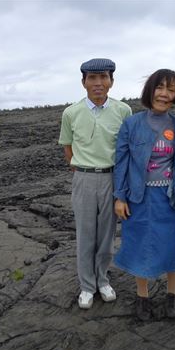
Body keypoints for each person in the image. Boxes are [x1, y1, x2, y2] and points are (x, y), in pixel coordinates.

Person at [113, 69, 175, 321]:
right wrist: (120, 197)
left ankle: (172, 296)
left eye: (170, 89)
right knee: (138, 245)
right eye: (160, 87)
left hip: (169, 198)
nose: (164, 94)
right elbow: (121, 163)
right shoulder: (131, 124)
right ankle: (142, 297)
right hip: (138, 197)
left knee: (171, 245)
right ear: (150, 90)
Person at [59, 58, 132, 309]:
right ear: (83, 82)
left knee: (107, 235)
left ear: (111, 81)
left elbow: (125, 149)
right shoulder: (71, 113)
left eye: (103, 77)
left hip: (113, 178)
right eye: (92, 78)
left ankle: (103, 280)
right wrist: (82, 168)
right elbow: (68, 148)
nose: (98, 83)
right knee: (85, 234)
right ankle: (87, 286)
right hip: (84, 179)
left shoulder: (123, 111)